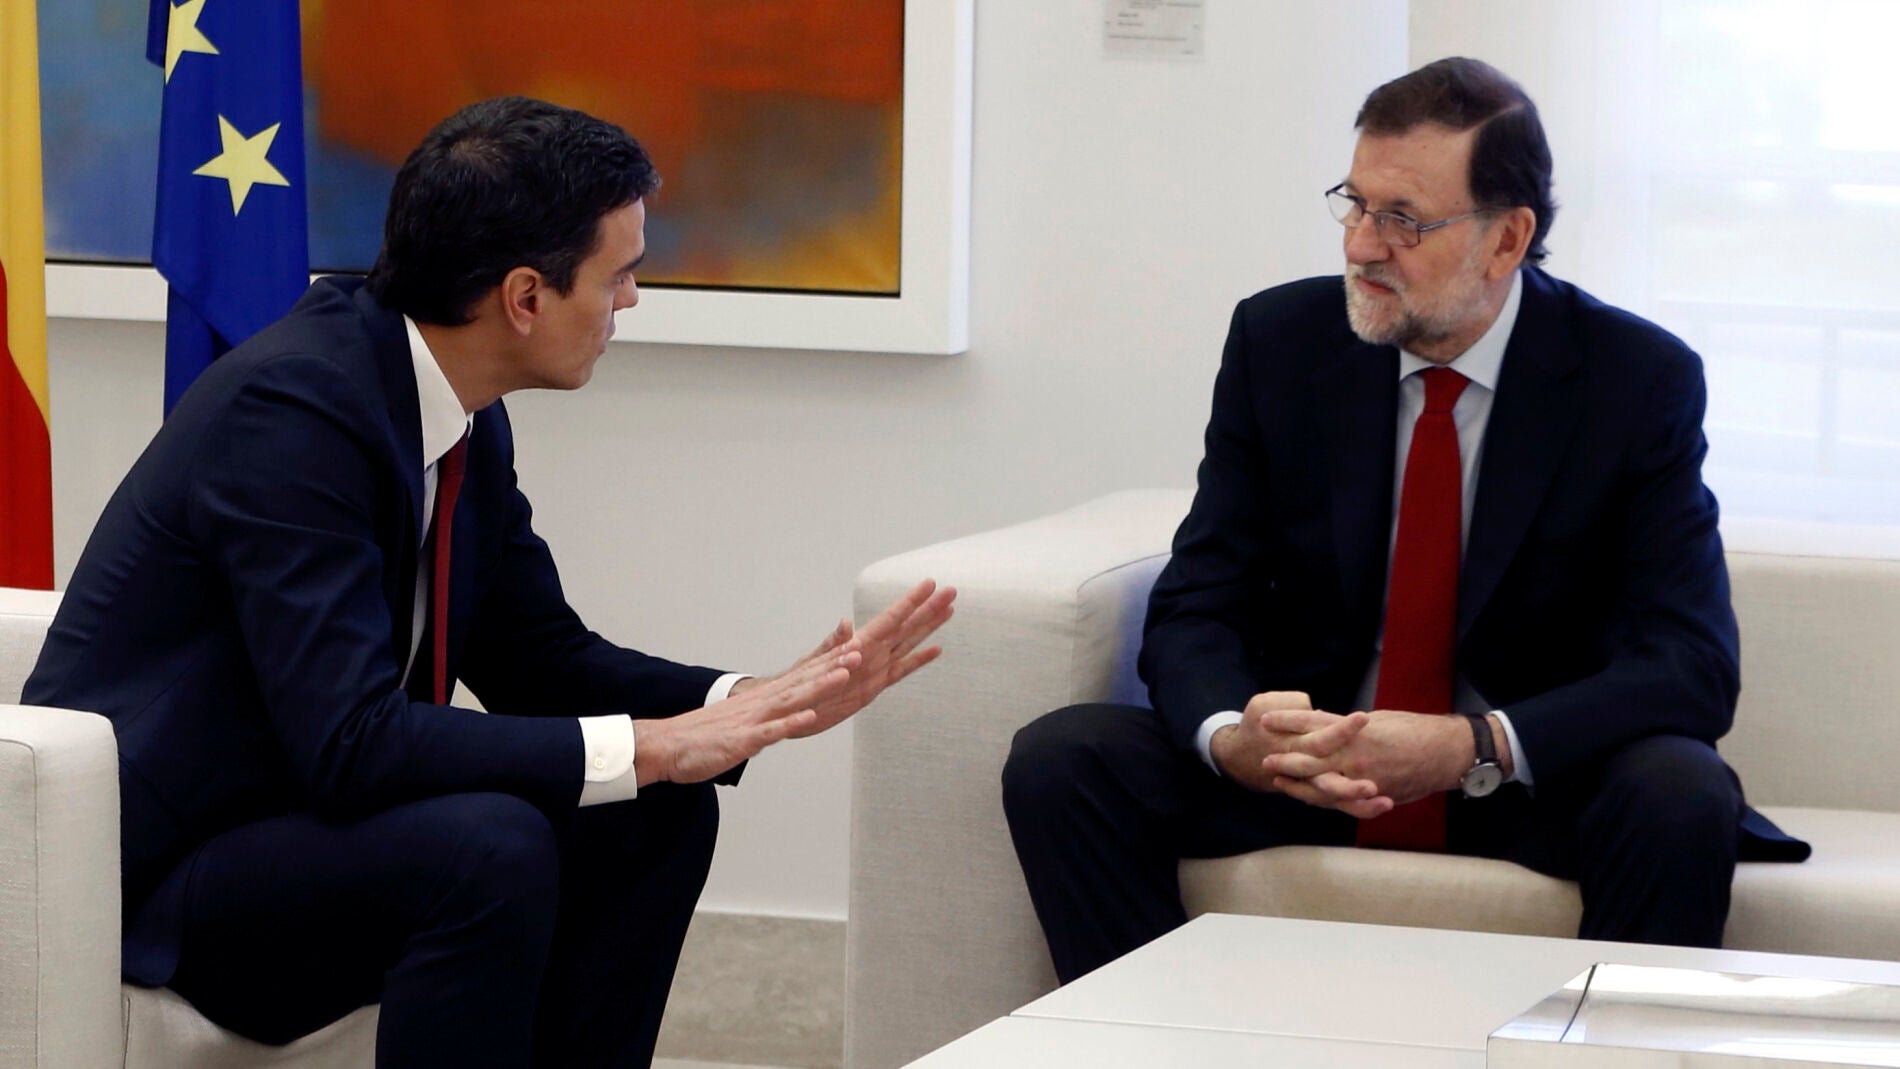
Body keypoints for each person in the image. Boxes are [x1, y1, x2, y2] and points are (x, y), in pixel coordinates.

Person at [25, 96, 955, 1067]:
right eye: (620, 274)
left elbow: (540, 658)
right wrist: (651, 741)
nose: (630, 301)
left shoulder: (453, 405)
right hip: (177, 874)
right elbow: (347, 742)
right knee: (489, 845)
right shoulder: (293, 415)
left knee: (659, 813)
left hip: (305, 827)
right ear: (524, 296)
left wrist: (746, 703)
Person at [1001, 57, 1807, 985]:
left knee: (1679, 792)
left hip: (1513, 784)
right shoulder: (1280, 342)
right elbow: (1199, 598)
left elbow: (1691, 665)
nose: (1360, 245)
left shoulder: (1636, 379)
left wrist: (1473, 743)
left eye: (1403, 221)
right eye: (1355, 204)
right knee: (1064, 760)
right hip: (1315, 770)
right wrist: (1237, 736)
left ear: (1507, 239)